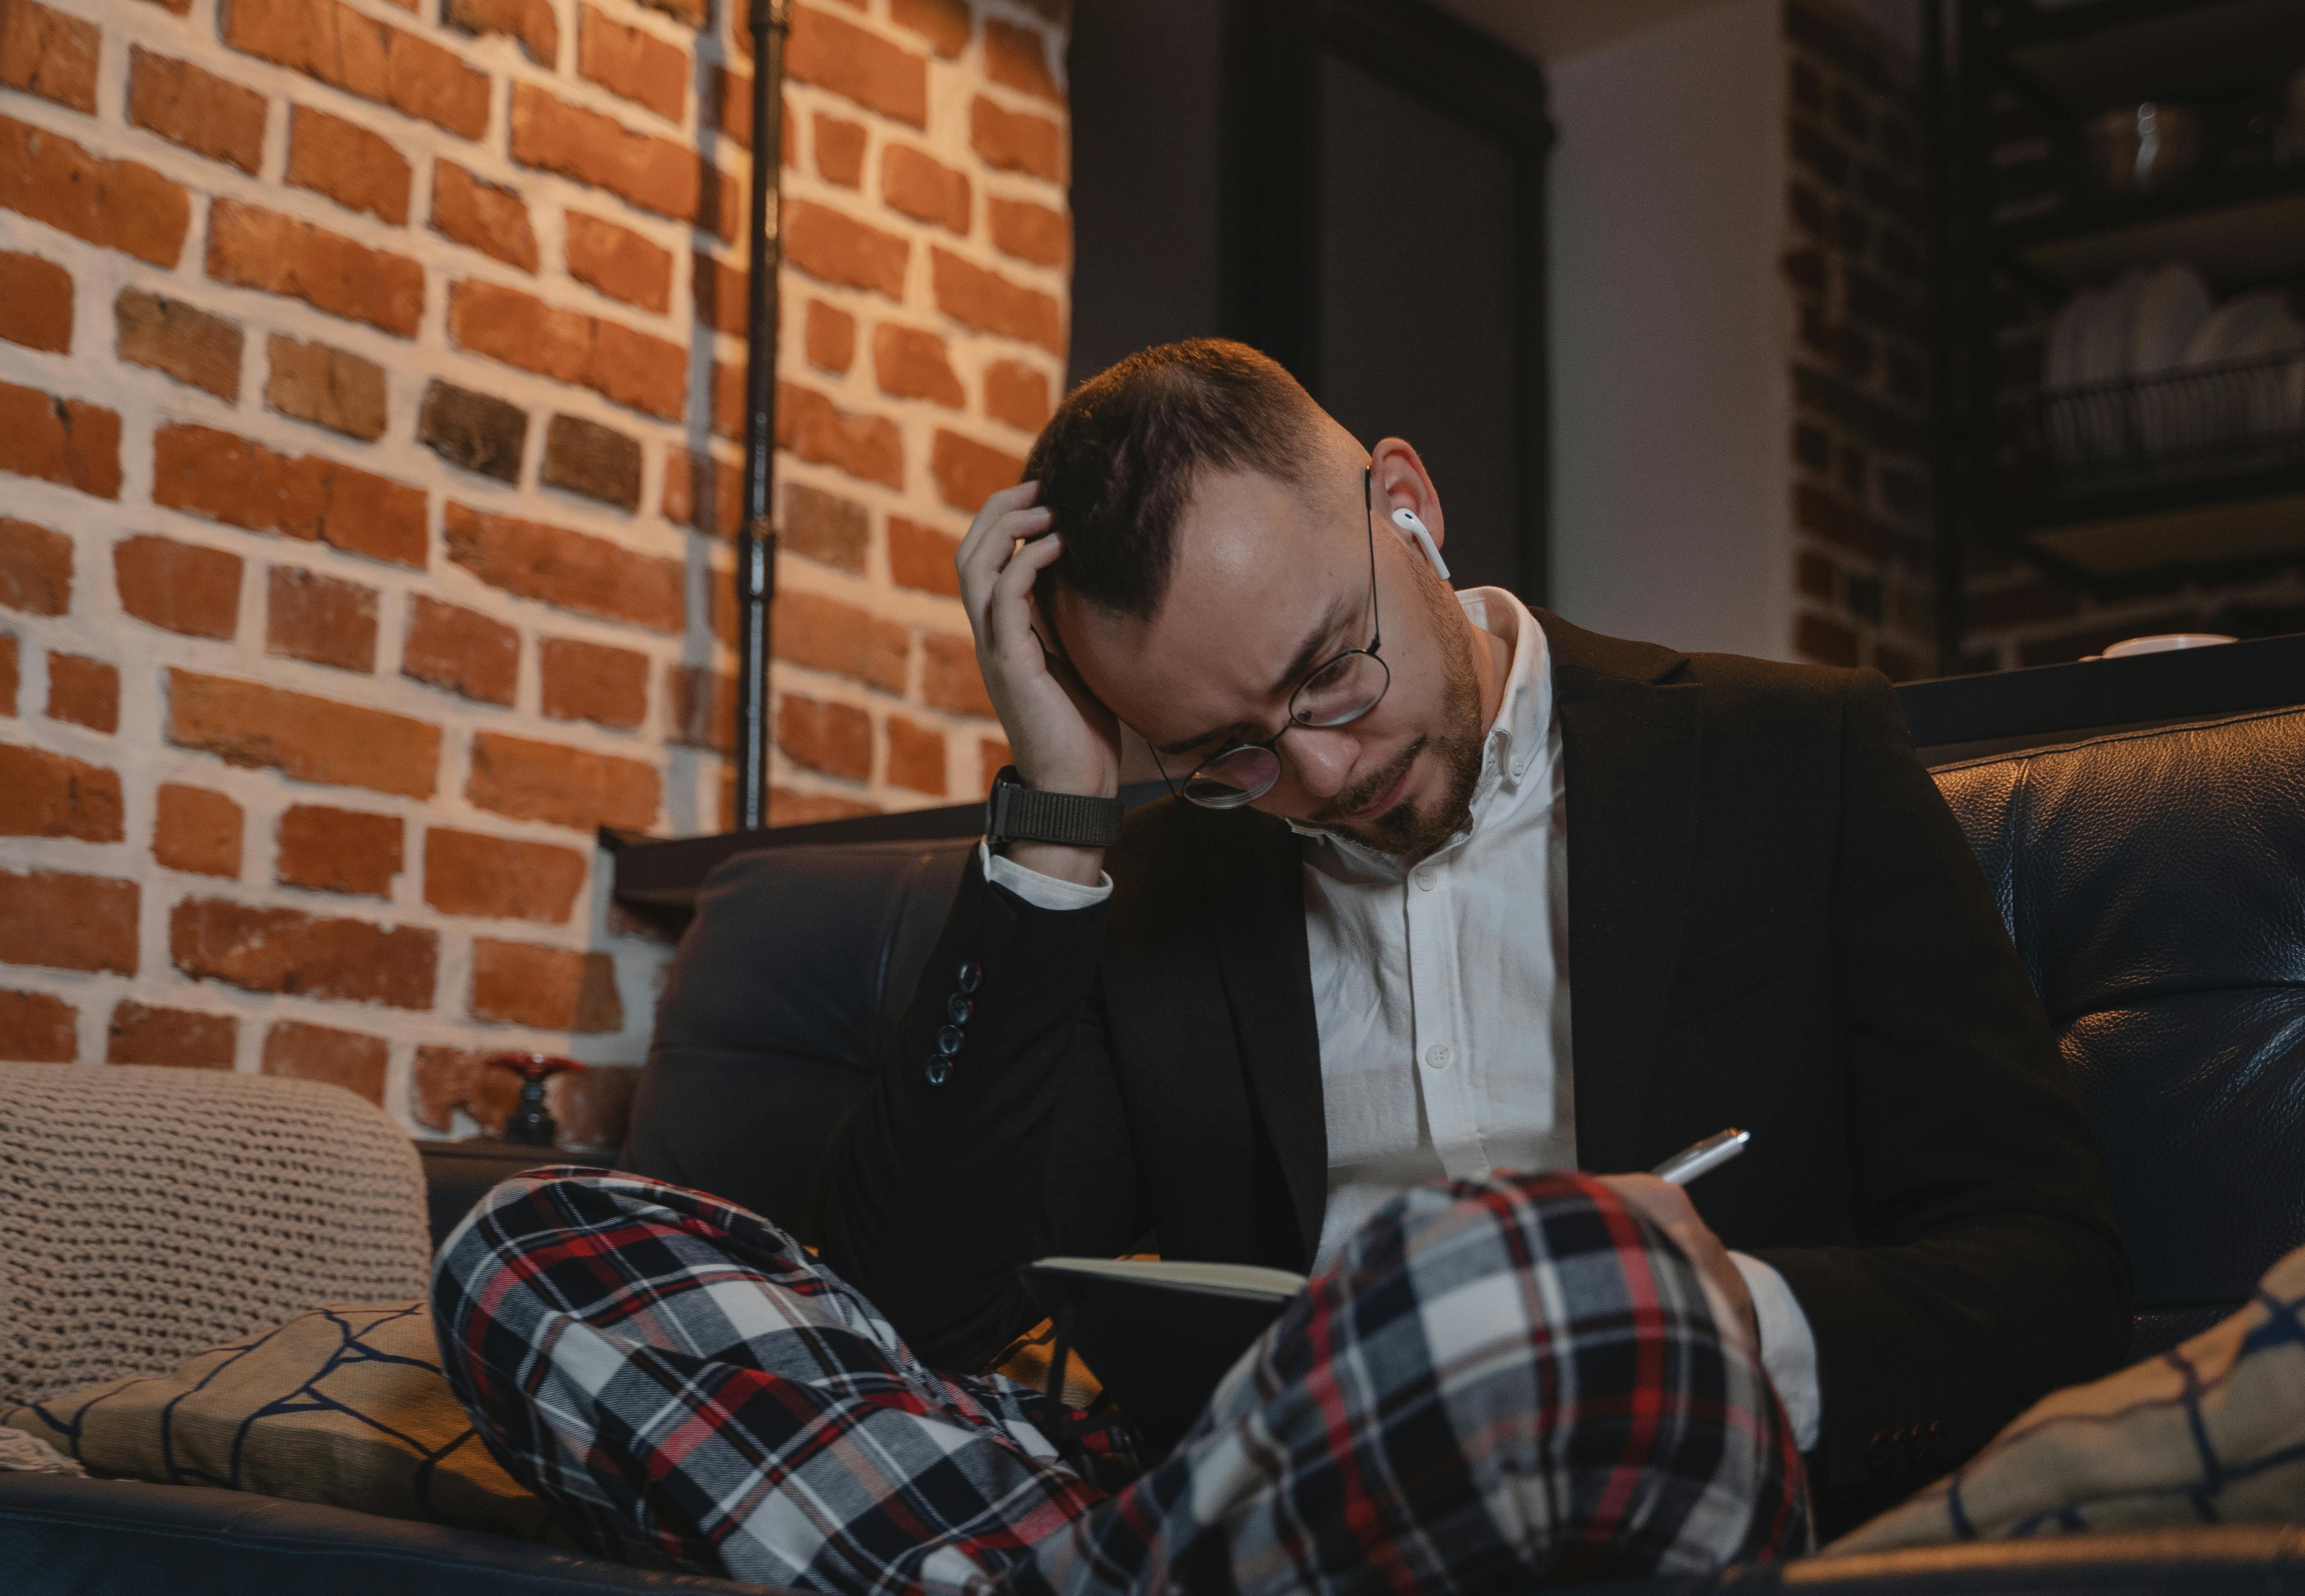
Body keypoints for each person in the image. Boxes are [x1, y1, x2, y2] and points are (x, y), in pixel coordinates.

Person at [433, 341, 2129, 1592]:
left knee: (1539, 1288)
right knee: (538, 1250)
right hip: (1278, 1504)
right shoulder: (1174, 877)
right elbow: (920, 1320)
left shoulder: (1792, 760)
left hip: (1634, 1498)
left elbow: (2050, 1273)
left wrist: (1694, 1310)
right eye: (1224, 750)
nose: (1318, 778)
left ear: (1407, 502)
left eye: (1333, 675)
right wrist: (1060, 824)